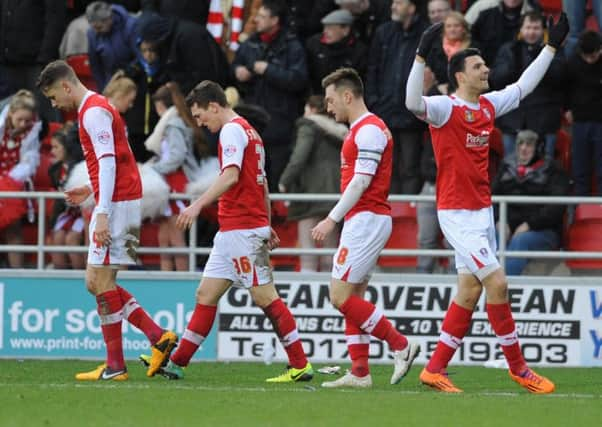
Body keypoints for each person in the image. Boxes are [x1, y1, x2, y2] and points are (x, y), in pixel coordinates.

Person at [405, 15, 569, 393]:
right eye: (478, 66)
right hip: (456, 213)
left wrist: (551, 47)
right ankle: (519, 368)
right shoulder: (445, 109)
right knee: (497, 281)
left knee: (470, 290)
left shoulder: (488, 106)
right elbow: (412, 102)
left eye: (484, 65)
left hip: (481, 212)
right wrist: (419, 57)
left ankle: (433, 370)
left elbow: (524, 86)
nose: (486, 70)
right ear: (460, 76)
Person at [152, 80, 313, 383]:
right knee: (206, 293)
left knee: (265, 296)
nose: (201, 123)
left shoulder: (231, 131)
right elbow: (261, 182)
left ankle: (300, 364)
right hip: (236, 229)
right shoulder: (249, 131)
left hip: (243, 229)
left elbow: (231, 176)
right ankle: (177, 362)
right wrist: (268, 224)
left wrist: (196, 205)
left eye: (201, 116)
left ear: (214, 106)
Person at [36, 60, 178, 381]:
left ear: (66, 86)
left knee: (100, 283)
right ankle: (157, 337)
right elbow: (119, 158)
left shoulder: (93, 112)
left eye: (54, 97)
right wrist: (91, 186)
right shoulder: (99, 107)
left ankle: (117, 365)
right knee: (97, 282)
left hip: (116, 205)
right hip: (118, 199)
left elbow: (110, 162)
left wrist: (100, 213)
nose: (55, 104)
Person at [312, 68, 420, 389]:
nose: (329, 107)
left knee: (340, 296)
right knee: (354, 296)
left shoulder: (370, 130)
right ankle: (360, 372)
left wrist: (331, 218)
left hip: (367, 218)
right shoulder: (362, 128)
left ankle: (401, 345)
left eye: (331, 101)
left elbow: (362, 180)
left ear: (348, 96)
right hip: (364, 218)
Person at [231, 0, 308, 192]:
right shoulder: (250, 43)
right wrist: (238, 72)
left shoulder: (292, 46)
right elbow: (234, 69)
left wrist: (268, 70)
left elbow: (298, 79)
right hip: (253, 117)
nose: (256, 20)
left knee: (275, 172)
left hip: (280, 120)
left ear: (275, 20)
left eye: (262, 16)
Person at [365, 0, 428, 194]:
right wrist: (374, 101)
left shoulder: (425, 34)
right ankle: (389, 212)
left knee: (409, 167)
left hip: (411, 114)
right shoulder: (383, 32)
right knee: (386, 167)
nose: (393, 6)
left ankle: (408, 214)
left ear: (412, 7)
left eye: (399, 3)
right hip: (385, 111)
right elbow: (373, 69)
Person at [279, 95, 346, 272]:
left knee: (307, 246)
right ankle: (330, 291)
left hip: (310, 192)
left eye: (306, 109)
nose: (304, 113)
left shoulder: (308, 126)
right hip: (335, 191)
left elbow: (299, 156)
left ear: (313, 110)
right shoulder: (340, 130)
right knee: (330, 248)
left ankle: (307, 286)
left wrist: (285, 181)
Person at [489, 11, 567, 160]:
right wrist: (514, 65)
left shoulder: (553, 50)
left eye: (536, 28)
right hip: (512, 120)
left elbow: (559, 76)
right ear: (521, 29)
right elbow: (496, 79)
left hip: (544, 119)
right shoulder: (508, 49)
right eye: (528, 27)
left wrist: (540, 59)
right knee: (510, 167)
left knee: (545, 167)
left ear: (543, 30)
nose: (531, 32)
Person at [492, 130, 570, 276]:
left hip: (543, 231)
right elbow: (491, 199)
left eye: (529, 144)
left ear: (539, 148)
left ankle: (502, 290)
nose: (523, 148)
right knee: (491, 236)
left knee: (521, 240)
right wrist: (499, 221)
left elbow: (556, 208)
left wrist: (529, 225)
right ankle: (484, 288)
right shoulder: (506, 166)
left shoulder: (553, 170)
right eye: (520, 143)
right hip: (507, 226)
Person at [146, 83, 200, 272]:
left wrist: (154, 169)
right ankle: (164, 279)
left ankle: (181, 281)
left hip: (175, 183)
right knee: (164, 239)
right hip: (167, 182)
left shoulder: (173, 124)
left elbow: (176, 156)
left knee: (176, 238)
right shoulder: (174, 122)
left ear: (161, 105)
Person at [0, 90, 42, 268]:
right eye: (20, 120)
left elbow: (28, 163)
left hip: (13, 184)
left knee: (13, 229)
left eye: (27, 120)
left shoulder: (31, 133)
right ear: (10, 114)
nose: (24, 124)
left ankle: (17, 274)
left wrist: (7, 181)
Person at [565, 30, 602, 196]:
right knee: (580, 171)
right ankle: (581, 212)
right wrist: (566, 109)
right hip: (579, 122)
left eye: (592, 57)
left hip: (600, 122)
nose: (588, 60)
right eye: (585, 57)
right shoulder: (572, 62)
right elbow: (564, 89)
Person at [305, 9, 368, 94]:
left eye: (330, 28)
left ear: (345, 30)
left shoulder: (359, 51)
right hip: (317, 97)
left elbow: (360, 81)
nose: (325, 32)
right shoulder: (314, 44)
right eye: (325, 27)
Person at [48, 128, 86, 270]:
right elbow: (59, 201)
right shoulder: (54, 170)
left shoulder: (80, 167)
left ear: (68, 148)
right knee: (56, 238)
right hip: (68, 213)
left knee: (71, 239)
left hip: (84, 212)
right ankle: (61, 283)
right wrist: (52, 225)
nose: (52, 151)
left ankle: (82, 280)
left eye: (56, 147)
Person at [86, 1, 139, 92]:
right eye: (93, 28)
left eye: (99, 27)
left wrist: (127, 72)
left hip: (134, 78)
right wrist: (103, 89)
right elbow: (96, 66)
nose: (96, 31)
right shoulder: (92, 33)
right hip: (110, 82)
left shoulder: (130, 26)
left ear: (109, 19)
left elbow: (140, 55)